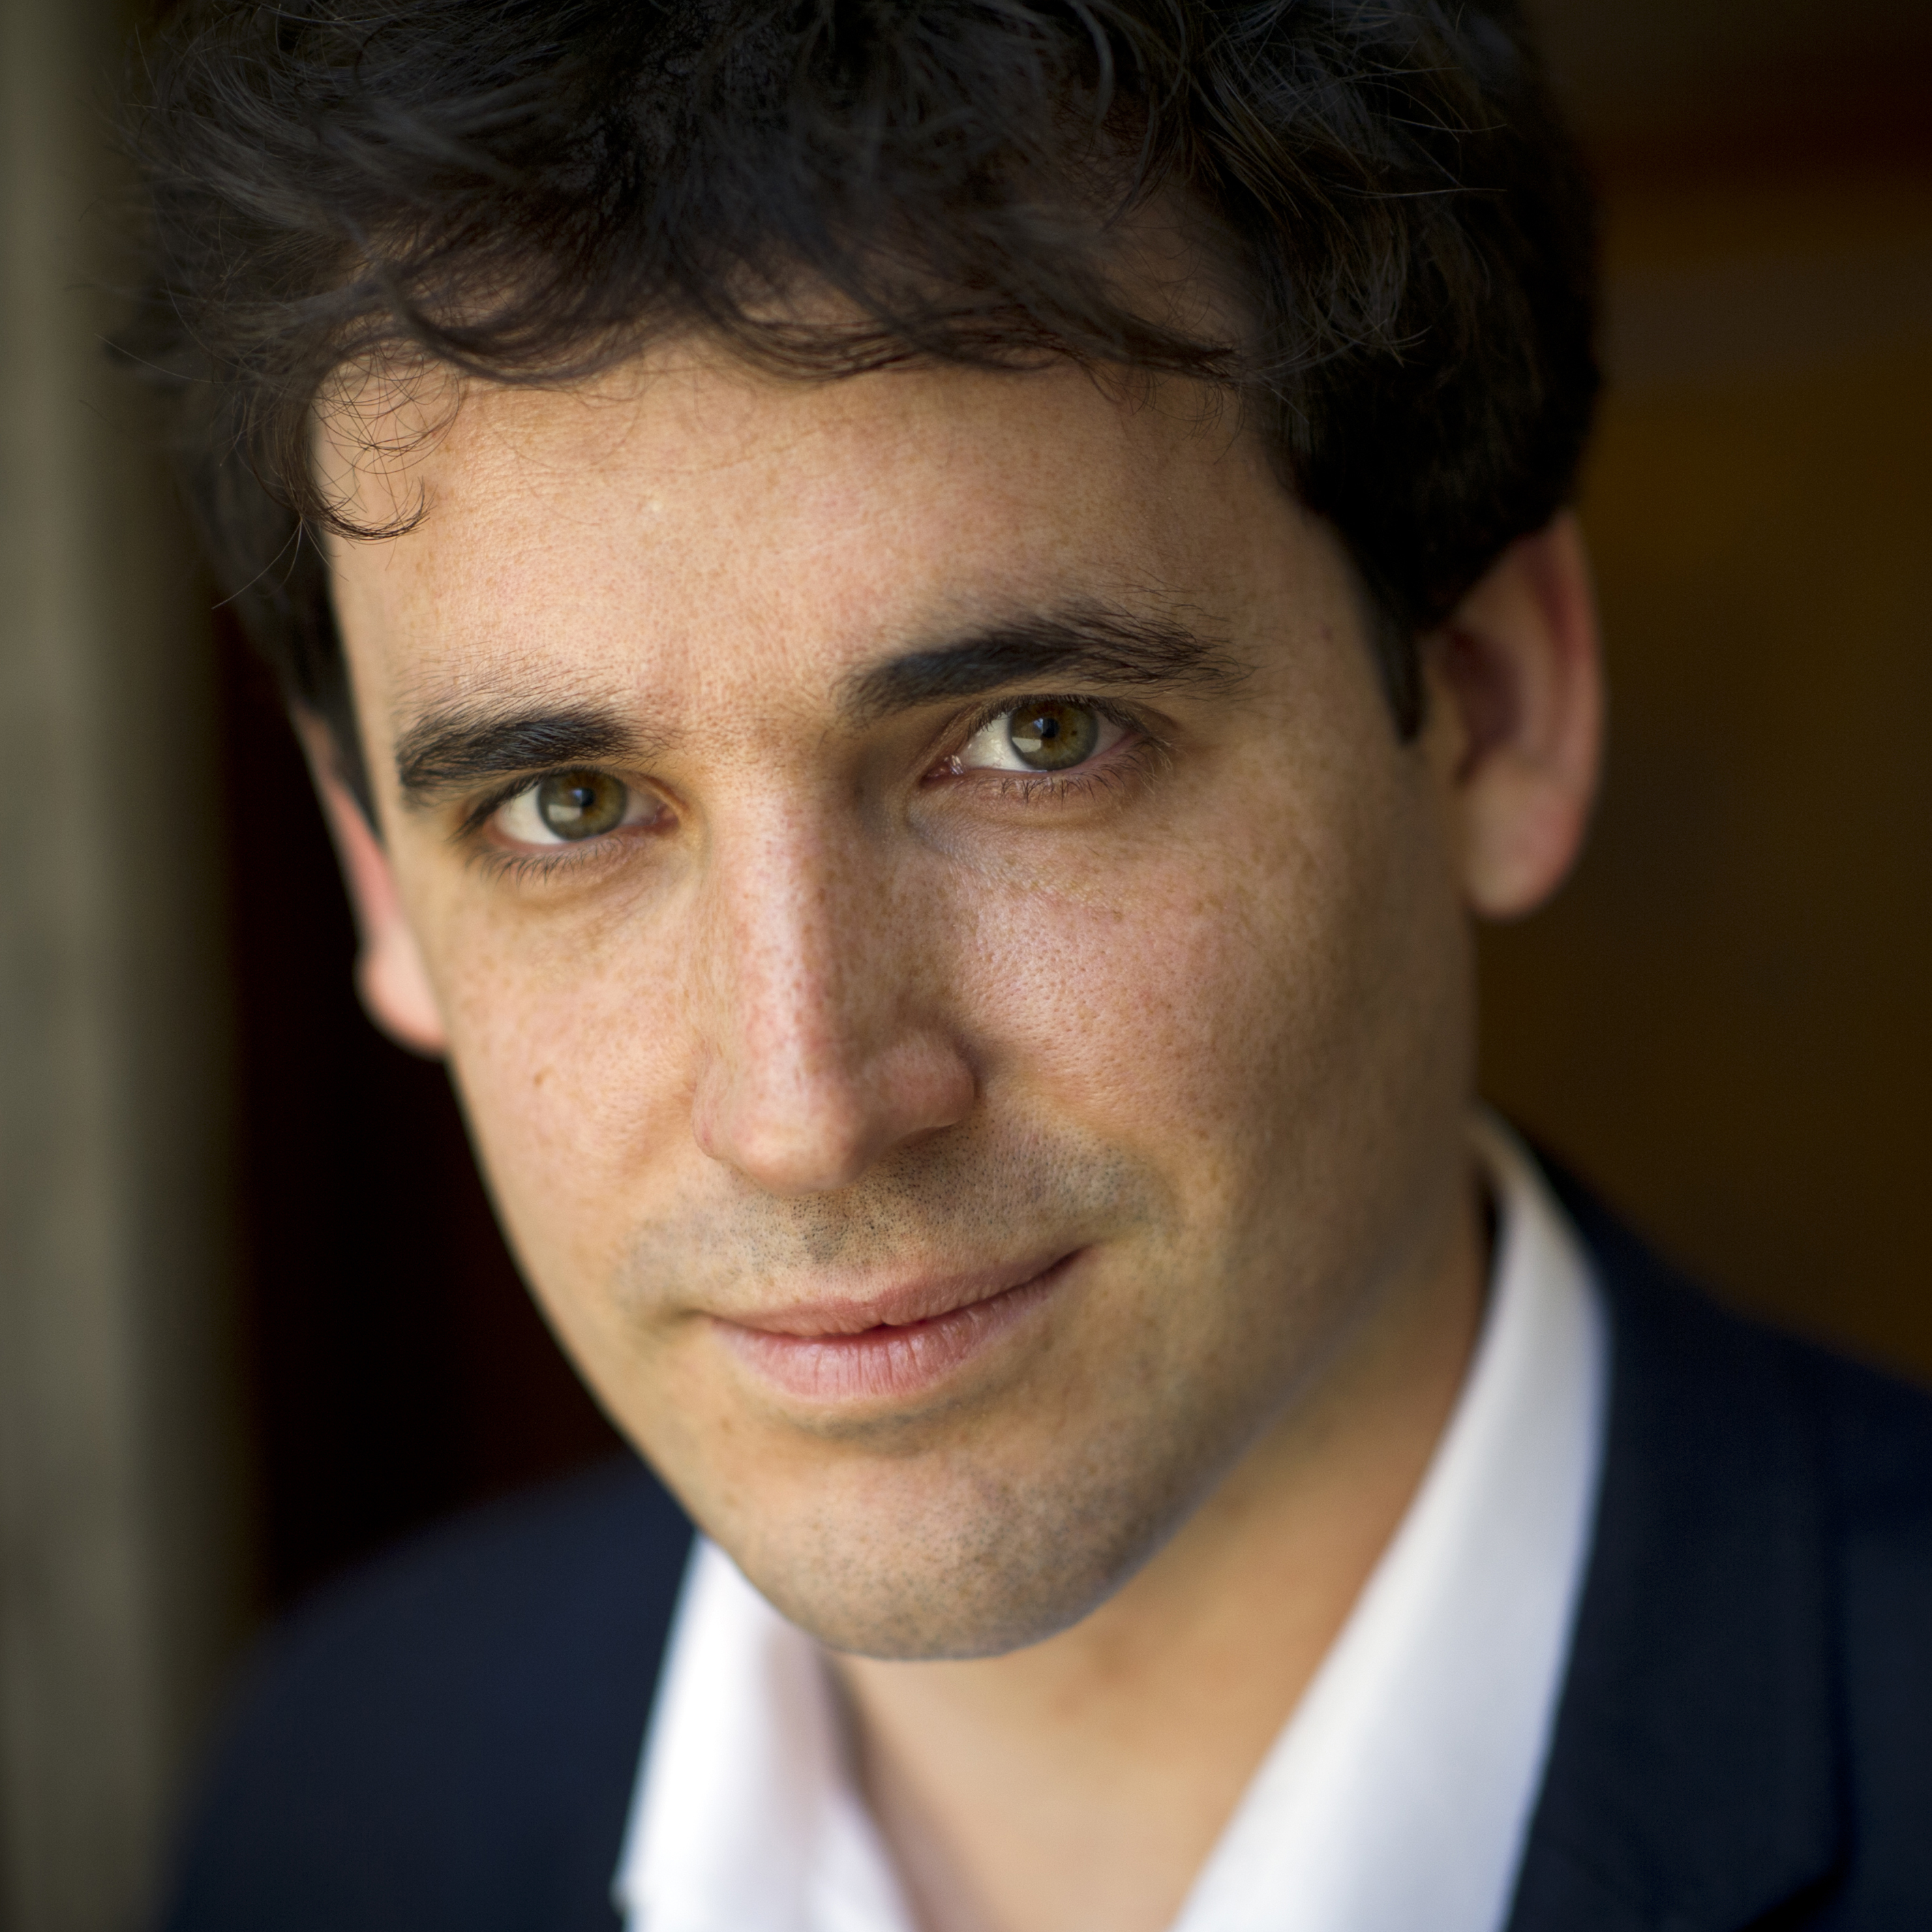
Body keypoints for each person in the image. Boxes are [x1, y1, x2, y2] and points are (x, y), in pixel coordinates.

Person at [127, 3, 1931, 1929]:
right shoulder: (342, 1797)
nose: (806, 1111)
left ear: (1493, 705)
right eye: (570, 808)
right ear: (380, 879)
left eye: (1034, 740)